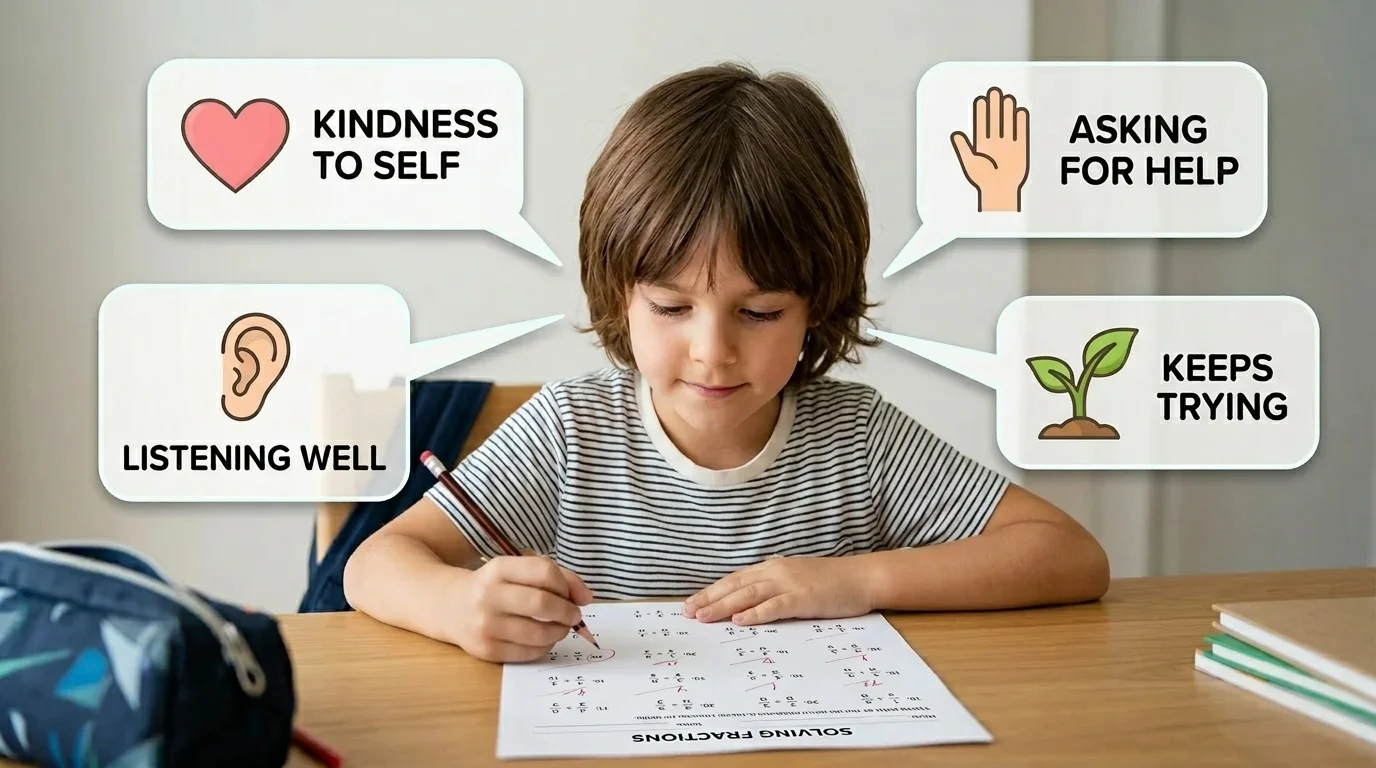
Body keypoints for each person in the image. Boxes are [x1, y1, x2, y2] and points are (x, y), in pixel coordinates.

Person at [343, 62, 1109, 663]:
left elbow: (1070, 555)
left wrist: (858, 579)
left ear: (818, 303)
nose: (712, 351)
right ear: (618, 296)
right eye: (671, 307)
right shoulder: (570, 432)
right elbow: (372, 563)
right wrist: (457, 605)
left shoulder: (857, 441)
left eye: (760, 312)